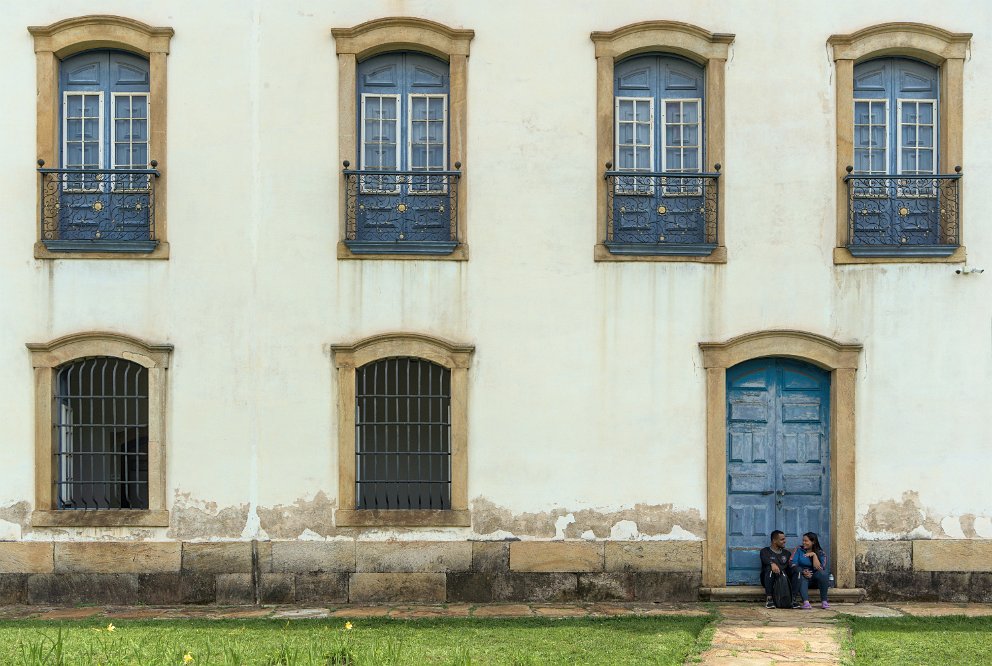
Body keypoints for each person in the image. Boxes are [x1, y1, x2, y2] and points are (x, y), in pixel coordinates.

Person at [759, 530, 799, 608]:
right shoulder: (765, 551)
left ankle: (793, 599)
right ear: (774, 540)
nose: (785, 541)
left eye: (784, 539)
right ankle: (769, 599)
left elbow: (790, 566)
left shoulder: (787, 553)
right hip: (770, 578)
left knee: (798, 571)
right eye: (782, 539)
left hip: (783, 579)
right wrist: (772, 563)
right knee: (769, 568)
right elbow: (764, 560)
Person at [791, 531, 830, 609]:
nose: (803, 542)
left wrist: (814, 555)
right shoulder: (799, 550)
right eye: (803, 540)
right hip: (803, 577)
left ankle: (824, 601)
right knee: (801, 577)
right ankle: (806, 602)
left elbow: (819, 568)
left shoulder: (821, 553)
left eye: (806, 541)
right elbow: (793, 563)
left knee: (824, 574)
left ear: (813, 542)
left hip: (815, 579)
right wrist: (803, 572)